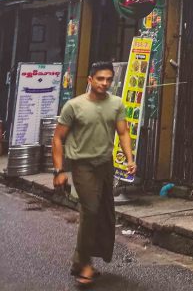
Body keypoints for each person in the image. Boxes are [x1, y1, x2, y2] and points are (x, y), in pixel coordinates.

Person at [52, 61, 136, 287]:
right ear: (90, 79)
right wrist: (59, 170)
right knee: (90, 210)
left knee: (105, 212)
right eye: (100, 79)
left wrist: (129, 159)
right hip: (82, 165)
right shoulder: (74, 106)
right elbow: (58, 138)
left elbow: (124, 132)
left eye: (109, 79)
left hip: (105, 165)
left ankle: (90, 256)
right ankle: (81, 263)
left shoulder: (116, 103)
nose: (105, 83)